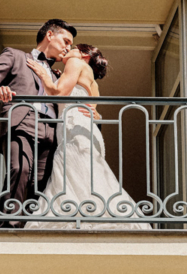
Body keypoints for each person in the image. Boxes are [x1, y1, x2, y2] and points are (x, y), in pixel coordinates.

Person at [26, 43, 150, 230]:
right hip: (86, 129)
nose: (68, 50)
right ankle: (96, 217)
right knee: (85, 172)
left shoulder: (75, 62)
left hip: (74, 127)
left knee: (74, 171)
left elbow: (59, 94)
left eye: (73, 47)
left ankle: (82, 219)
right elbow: (94, 111)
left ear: (83, 54)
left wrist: (44, 76)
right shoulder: (91, 79)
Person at [0, 18, 75, 227]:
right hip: (22, 120)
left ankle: (28, 228)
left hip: (51, 129)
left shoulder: (58, 74)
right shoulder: (15, 55)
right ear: (50, 35)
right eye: (66, 41)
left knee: (41, 182)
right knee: (20, 169)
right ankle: (8, 228)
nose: (68, 48)